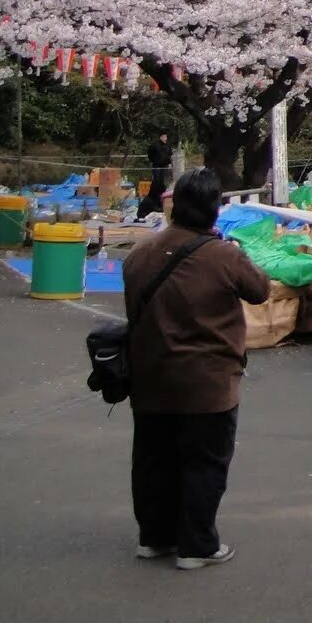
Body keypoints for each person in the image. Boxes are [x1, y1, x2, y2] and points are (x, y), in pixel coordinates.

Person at [124, 168, 270, 570]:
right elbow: (260, 291)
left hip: (150, 376)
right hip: (208, 381)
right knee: (204, 461)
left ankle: (154, 537)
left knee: (153, 461)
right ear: (213, 210)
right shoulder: (223, 254)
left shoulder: (140, 255)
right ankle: (197, 545)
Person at [137, 131, 172, 218]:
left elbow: (170, 154)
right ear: (161, 137)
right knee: (156, 181)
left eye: (166, 137)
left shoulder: (167, 146)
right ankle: (156, 196)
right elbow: (150, 154)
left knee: (162, 182)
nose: (166, 139)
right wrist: (153, 160)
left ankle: (161, 195)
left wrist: (169, 162)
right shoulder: (154, 145)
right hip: (157, 165)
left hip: (164, 166)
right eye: (164, 137)